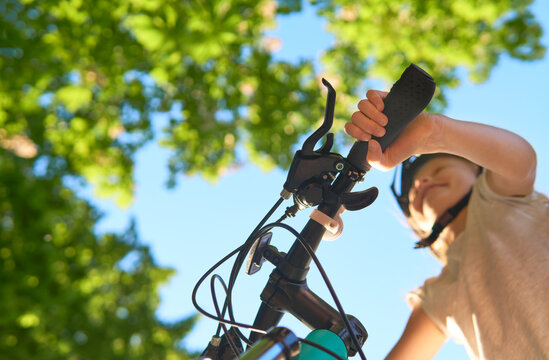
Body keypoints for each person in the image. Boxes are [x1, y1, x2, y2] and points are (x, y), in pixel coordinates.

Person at [345, 90, 549, 359]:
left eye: (439, 170)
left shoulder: (503, 200)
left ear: (478, 173)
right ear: (418, 227)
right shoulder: (441, 293)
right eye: (414, 194)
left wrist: (435, 131)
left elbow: (522, 160)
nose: (422, 183)